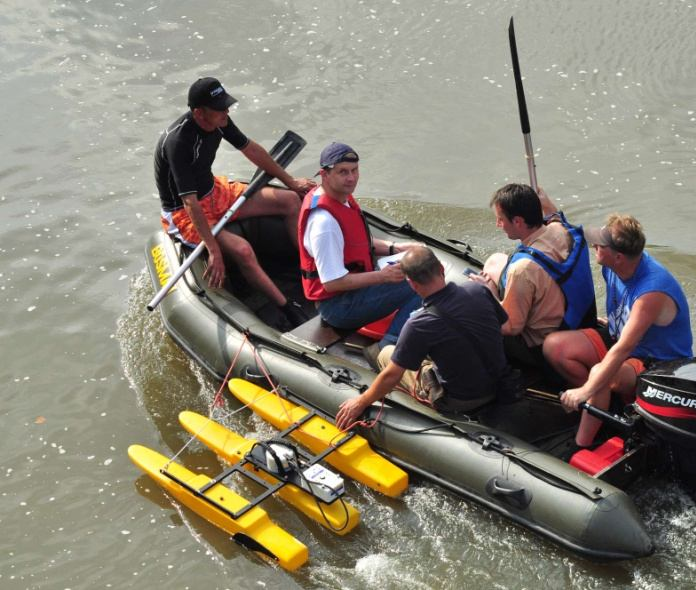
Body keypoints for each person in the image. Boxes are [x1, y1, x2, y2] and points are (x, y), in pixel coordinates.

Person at [154, 77, 315, 325]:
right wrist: (213, 248)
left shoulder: (220, 121)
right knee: (243, 250)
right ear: (199, 113)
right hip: (184, 211)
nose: (226, 112)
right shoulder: (178, 143)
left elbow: (251, 150)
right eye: (219, 108)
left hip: (215, 191)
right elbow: (189, 202)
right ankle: (287, 307)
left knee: (290, 201)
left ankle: (309, 272)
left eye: (226, 105)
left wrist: (290, 181)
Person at [548, 213, 694, 446]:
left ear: (618, 257)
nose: (594, 245)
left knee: (598, 375)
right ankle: (603, 405)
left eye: (600, 244)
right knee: (555, 347)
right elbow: (574, 236)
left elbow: (625, 348)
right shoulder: (612, 266)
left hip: (656, 364)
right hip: (624, 343)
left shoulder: (651, 291)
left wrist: (585, 390)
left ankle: (583, 442)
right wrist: (550, 211)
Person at [335, 246, 509, 429]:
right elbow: (503, 325)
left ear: (412, 283)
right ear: (441, 269)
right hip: (500, 381)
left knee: (385, 353)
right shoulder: (478, 291)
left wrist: (361, 402)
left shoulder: (418, 325)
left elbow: (391, 376)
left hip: (460, 400)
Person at [297, 142, 421, 345]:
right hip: (338, 306)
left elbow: (355, 242)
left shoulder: (341, 198)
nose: (351, 178)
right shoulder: (324, 223)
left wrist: (395, 248)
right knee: (419, 282)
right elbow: (332, 283)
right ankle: (388, 347)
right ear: (325, 174)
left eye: (354, 170)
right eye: (343, 172)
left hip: (351, 292)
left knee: (418, 269)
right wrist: (383, 277)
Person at [467, 183, 596, 369]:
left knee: (475, 310)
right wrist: (545, 203)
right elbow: (554, 218)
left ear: (518, 221)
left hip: (539, 347)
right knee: (496, 260)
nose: (498, 225)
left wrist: (490, 294)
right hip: (575, 319)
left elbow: (511, 327)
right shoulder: (562, 231)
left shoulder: (522, 269)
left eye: (501, 219)